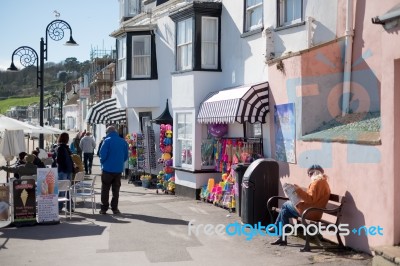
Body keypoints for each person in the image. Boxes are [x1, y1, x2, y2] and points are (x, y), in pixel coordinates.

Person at [269, 165, 331, 246]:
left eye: (310, 174)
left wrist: (298, 190)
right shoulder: (322, 182)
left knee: (286, 205)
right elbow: (312, 199)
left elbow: (310, 199)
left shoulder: (317, 183)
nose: (309, 176)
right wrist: (297, 190)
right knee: (284, 212)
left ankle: (278, 230)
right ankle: (282, 237)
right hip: (313, 211)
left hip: (309, 212)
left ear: (314, 173)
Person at [99, 126, 128, 215]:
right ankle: (115, 208)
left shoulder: (107, 141)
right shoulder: (123, 141)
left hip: (107, 169)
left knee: (105, 189)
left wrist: (103, 162)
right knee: (116, 190)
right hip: (118, 169)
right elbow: (126, 156)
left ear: (108, 132)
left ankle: (104, 208)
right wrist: (119, 163)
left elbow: (102, 154)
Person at [53, 132, 75, 212]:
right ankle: (62, 207)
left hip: (65, 170)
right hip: (65, 170)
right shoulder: (62, 148)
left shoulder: (63, 148)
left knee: (66, 189)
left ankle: (65, 207)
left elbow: (59, 160)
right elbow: (60, 160)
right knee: (64, 189)